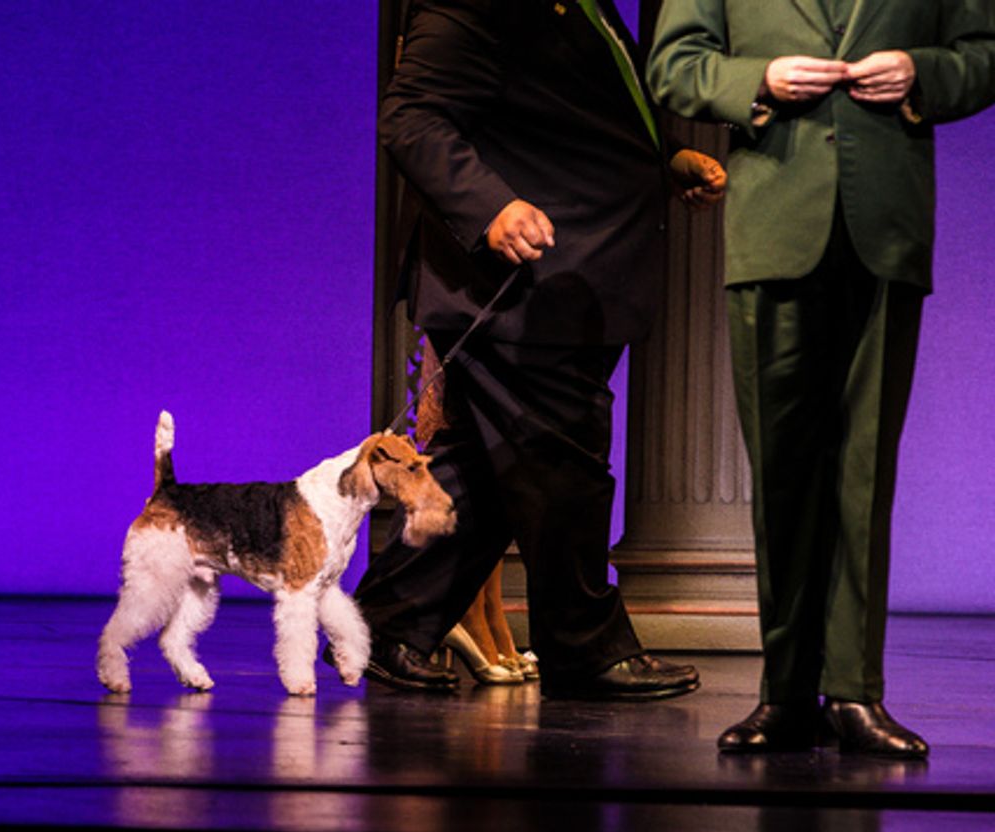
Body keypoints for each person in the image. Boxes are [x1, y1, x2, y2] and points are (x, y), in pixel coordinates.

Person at [648, 0, 995, 756]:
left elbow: (984, 50)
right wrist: (761, 79)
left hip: (885, 224)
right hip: (776, 223)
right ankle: (785, 692)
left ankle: (854, 691)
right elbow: (674, 65)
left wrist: (921, 73)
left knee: (864, 470)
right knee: (782, 470)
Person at [353, 0, 726, 699]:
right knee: (563, 465)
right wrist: (488, 206)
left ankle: (388, 624)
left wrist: (661, 164)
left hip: (572, 273)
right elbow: (412, 115)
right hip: (516, 283)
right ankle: (585, 647)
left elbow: (563, 120)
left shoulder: (587, 4)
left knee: (494, 474)